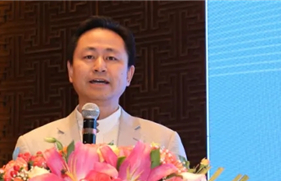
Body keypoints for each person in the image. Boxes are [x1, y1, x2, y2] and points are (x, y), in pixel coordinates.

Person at [15, 16, 186, 158]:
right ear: (70, 70)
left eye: (111, 58)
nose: (99, 67)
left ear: (129, 74)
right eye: (89, 56)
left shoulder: (163, 142)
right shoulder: (33, 146)